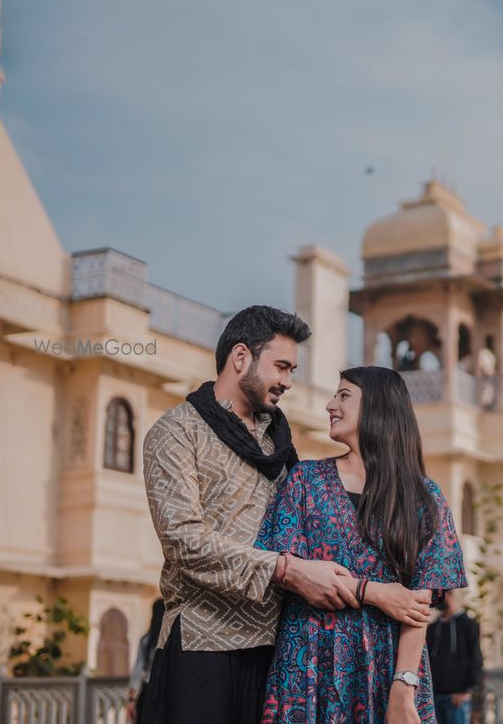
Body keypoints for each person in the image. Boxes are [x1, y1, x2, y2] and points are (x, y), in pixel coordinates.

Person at [142, 307, 429, 724]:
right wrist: (287, 570)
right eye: (281, 367)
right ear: (241, 358)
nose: (287, 383)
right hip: (203, 648)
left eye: (292, 369)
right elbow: (184, 540)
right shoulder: (177, 432)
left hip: (281, 655)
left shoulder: (279, 442)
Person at [256, 366, 468, 723]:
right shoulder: (305, 480)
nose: (329, 406)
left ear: (377, 407)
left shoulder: (423, 497)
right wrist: (373, 592)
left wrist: (403, 687)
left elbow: (421, 604)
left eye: (343, 395)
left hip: (390, 666)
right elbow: (282, 569)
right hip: (308, 664)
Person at [427, 591, 483, 724]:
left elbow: (476, 658)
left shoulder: (469, 624)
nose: (443, 598)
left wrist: (468, 691)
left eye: (448, 593)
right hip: (433, 698)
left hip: (457, 699)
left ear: (455, 596)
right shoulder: (432, 628)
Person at [126, 598, 164, 723]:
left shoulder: (147, 640)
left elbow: (137, 672)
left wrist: (131, 701)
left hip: (147, 691)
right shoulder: (169, 640)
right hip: (165, 691)